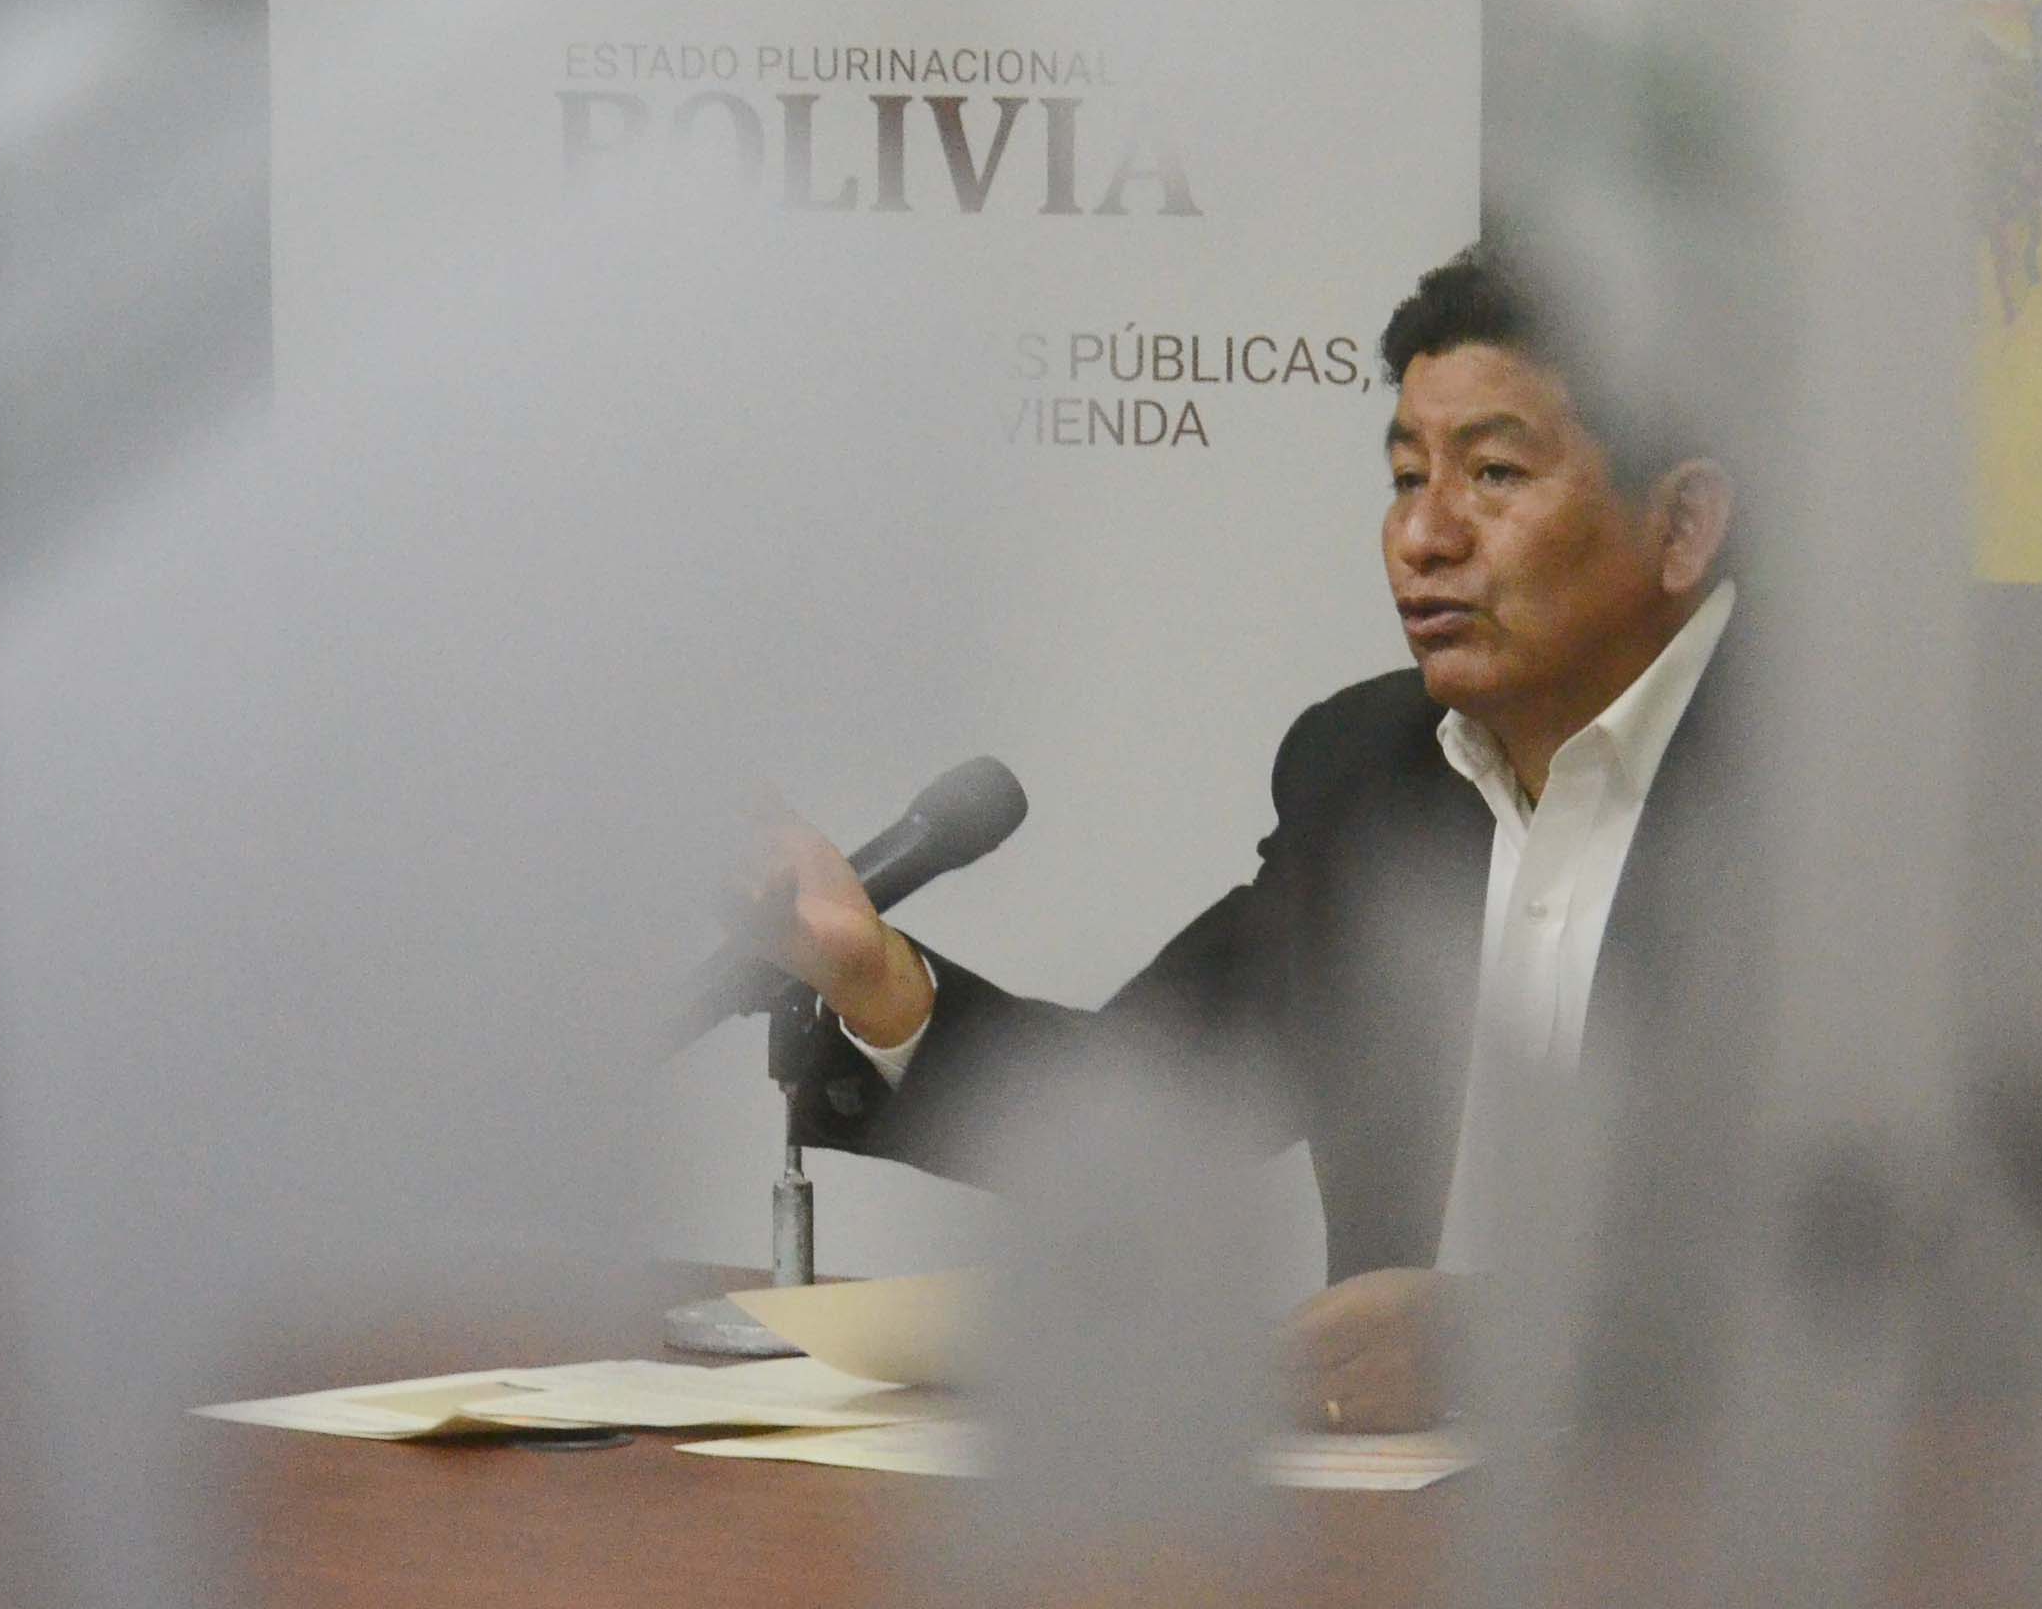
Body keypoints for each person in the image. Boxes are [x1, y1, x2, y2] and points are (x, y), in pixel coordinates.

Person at [741, 248, 1739, 1432]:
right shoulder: (1367, 780)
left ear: (1680, 526)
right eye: (1404, 476)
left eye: (1492, 473)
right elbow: (1137, 1110)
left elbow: (1897, 1291)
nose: (1423, 535)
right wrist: (876, 978)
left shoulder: (1845, 806)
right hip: (1380, 1514)